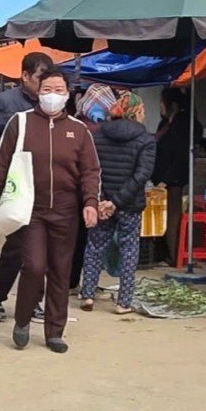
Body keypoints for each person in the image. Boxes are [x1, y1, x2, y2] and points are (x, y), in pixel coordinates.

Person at [0, 68, 100, 352]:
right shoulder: (20, 122)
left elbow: (90, 171)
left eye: (59, 90)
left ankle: (55, 332)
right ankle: (22, 320)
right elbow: (1, 164)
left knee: (60, 270)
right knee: (34, 266)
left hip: (66, 210)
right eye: (47, 89)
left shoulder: (79, 130)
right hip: (30, 209)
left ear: (68, 94)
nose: (52, 95)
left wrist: (91, 202)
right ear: (37, 92)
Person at [0, 52, 53, 323]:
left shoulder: (49, 106)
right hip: (13, 184)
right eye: (41, 77)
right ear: (25, 76)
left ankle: (32, 299)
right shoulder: (4, 103)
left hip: (43, 184)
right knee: (19, 243)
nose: (45, 85)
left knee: (41, 244)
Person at [79, 90, 155, 314]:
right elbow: (142, 175)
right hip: (130, 205)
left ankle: (88, 295)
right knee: (129, 249)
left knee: (94, 247)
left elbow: (92, 170)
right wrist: (117, 202)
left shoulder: (97, 136)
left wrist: (103, 200)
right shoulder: (146, 140)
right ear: (137, 112)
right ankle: (123, 302)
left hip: (102, 204)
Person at [152, 87, 199, 263]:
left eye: (162, 103)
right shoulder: (164, 123)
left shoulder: (182, 124)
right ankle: (163, 252)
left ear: (171, 104)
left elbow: (180, 155)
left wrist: (166, 180)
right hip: (160, 178)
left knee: (173, 216)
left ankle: (174, 256)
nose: (160, 107)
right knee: (161, 216)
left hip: (173, 179)